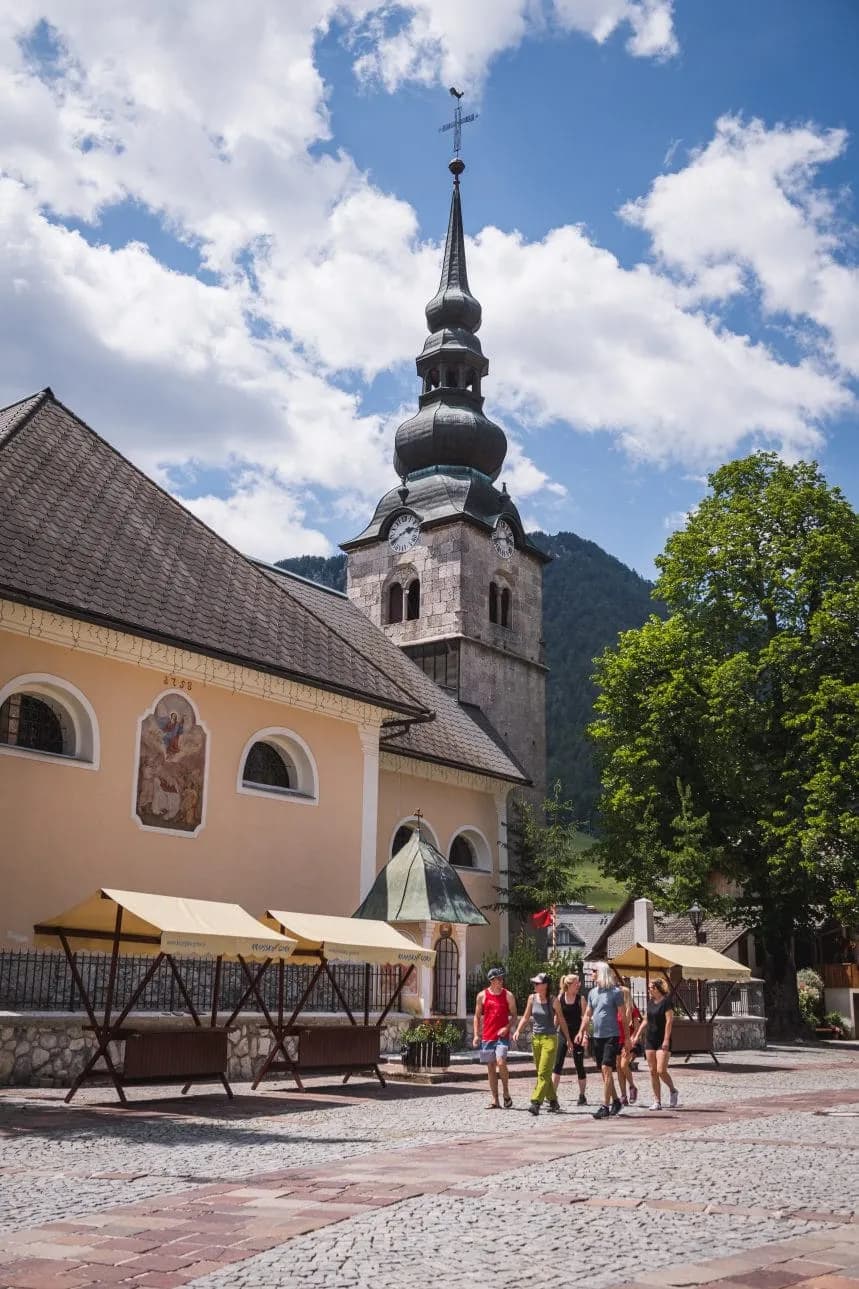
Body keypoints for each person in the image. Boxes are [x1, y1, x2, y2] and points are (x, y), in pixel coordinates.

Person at [513, 972, 573, 1116]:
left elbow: (562, 1020)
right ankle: (553, 1100)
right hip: (536, 1039)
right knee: (543, 1073)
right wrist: (518, 1031)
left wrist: (569, 1039)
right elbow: (526, 1017)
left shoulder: (553, 1000)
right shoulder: (531, 998)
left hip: (550, 1039)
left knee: (544, 1072)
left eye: (537, 983)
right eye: (534, 983)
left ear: (545, 985)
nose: (534, 985)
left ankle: (536, 1102)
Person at [576, 961, 628, 1119]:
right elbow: (587, 1015)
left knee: (606, 1068)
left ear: (602, 972)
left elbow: (623, 1016)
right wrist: (581, 1031)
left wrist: (627, 1039)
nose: (592, 974)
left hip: (612, 1036)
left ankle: (605, 1106)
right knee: (604, 1072)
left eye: (594, 971)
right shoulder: (592, 993)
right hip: (597, 1036)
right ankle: (616, 1101)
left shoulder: (615, 992)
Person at [472, 966, 517, 1109]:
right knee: (491, 1067)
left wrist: (507, 1028)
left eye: (502, 978)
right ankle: (495, 1100)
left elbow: (515, 1015)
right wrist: (476, 1035)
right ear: (491, 981)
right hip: (487, 1036)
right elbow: (477, 1016)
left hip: (502, 1036)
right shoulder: (482, 996)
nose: (501, 980)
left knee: (501, 1062)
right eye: (499, 978)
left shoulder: (508, 995)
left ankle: (506, 1092)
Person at [634, 978, 679, 1111]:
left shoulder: (666, 1002)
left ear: (658, 988)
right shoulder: (650, 1003)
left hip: (662, 1040)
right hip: (650, 1039)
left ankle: (673, 1090)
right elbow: (645, 1020)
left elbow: (669, 1021)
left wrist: (666, 1040)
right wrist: (637, 1036)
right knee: (653, 1072)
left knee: (661, 1070)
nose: (649, 990)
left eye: (651, 988)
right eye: (648, 988)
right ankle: (657, 1101)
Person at [551, 973, 588, 1106]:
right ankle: (552, 1095)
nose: (579, 985)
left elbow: (585, 1018)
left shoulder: (581, 999)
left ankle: (582, 1095)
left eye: (578, 983)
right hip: (562, 1034)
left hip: (577, 1034)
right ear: (569, 985)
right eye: (576, 983)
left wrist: (584, 1035)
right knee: (557, 1064)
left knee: (579, 1065)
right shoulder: (560, 998)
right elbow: (557, 1018)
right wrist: (552, 1031)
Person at [616, 984, 639, 1106]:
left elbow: (637, 1028)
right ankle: (623, 1095)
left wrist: (631, 1041)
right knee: (619, 1069)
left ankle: (632, 1086)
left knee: (624, 1065)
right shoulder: (616, 1009)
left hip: (627, 1042)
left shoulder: (632, 1009)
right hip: (616, 1041)